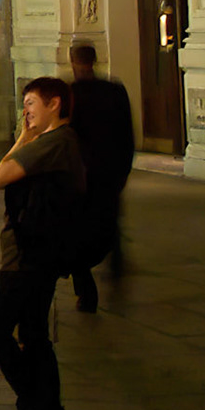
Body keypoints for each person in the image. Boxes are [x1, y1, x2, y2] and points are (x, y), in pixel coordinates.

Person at [0, 77, 85, 410]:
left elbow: (1, 176)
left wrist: (23, 139)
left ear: (54, 104)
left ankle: (38, 408)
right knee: (33, 334)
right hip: (40, 251)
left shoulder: (54, 142)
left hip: (28, 254)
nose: (25, 111)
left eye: (31, 103)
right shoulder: (56, 141)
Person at [68, 43, 134, 313]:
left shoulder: (69, 95)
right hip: (109, 169)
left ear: (73, 61)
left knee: (76, 229)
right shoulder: (114, 91)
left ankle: (85, 290)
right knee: (109, 221)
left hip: (81, 172)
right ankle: (116, 266)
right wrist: (124, 169)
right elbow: (127, 134)